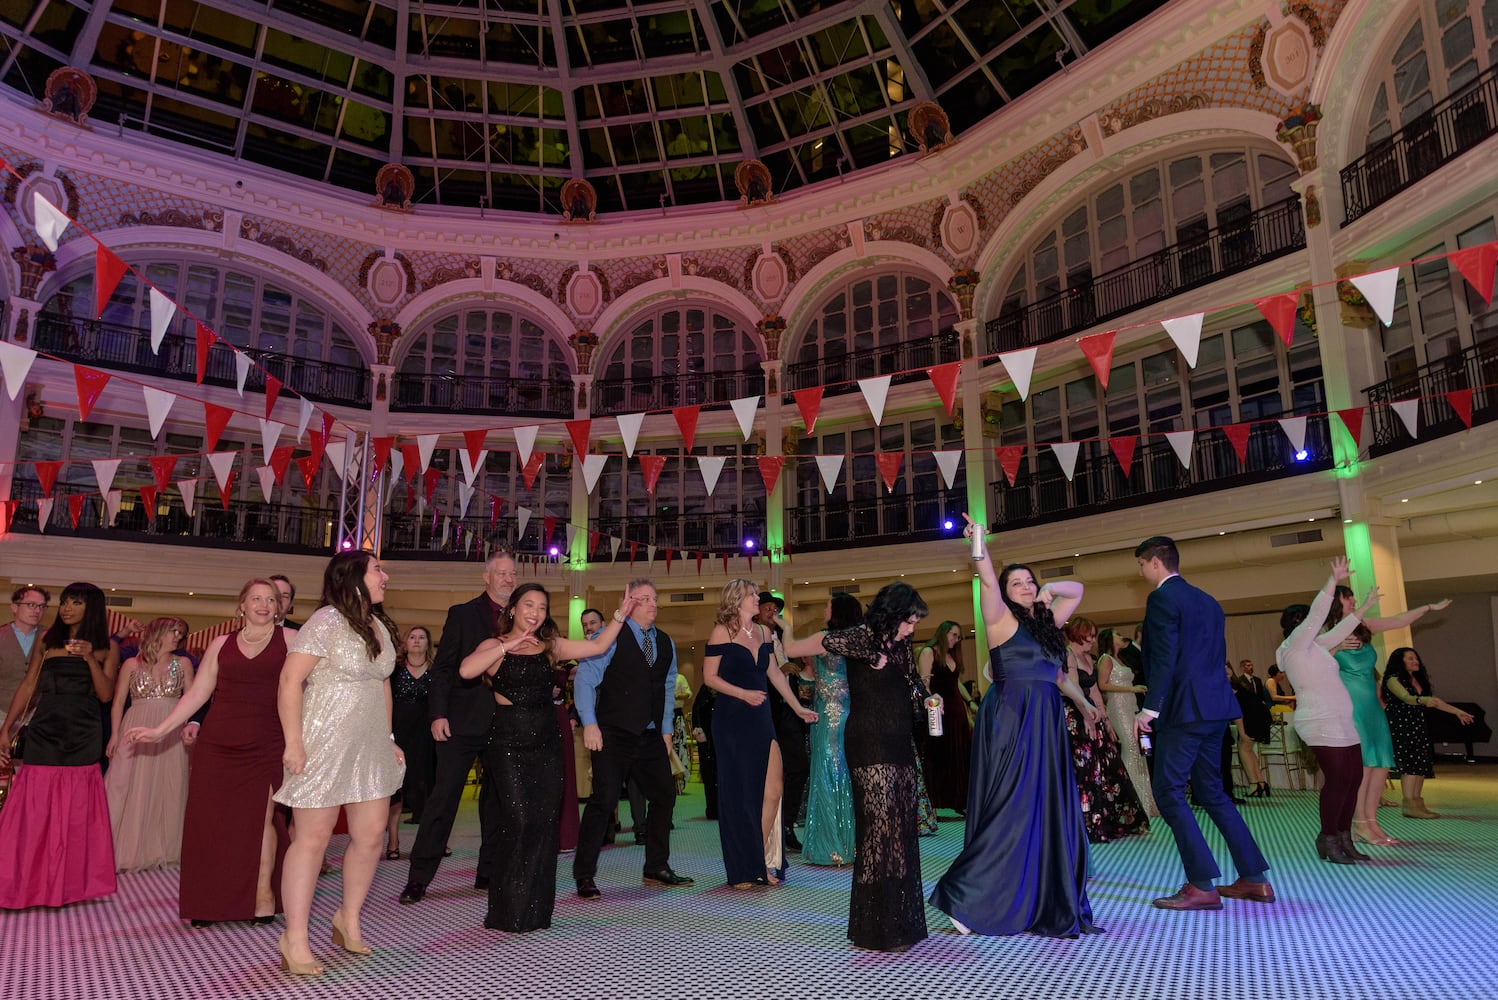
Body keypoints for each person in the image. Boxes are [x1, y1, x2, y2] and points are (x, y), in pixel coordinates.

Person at [928, 519, 1100, 938]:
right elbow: (986, 574)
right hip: (1012, 716)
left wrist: (1049, 591)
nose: (1024, 586)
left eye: (1029, 581)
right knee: (1012, 805)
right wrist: (979, 542)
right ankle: (964, 895)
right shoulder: (1000, 618)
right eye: (1016, 582)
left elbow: (1076, 591)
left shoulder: (1047, 624)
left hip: (1045, 719)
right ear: (1005, 592)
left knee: (1042, 807)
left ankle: (1031, 893)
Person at [459, 582, 637, 930]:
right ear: (512, 609)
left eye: (541, 607)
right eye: (528, 605)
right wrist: (508, 645)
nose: (535, 613)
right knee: (519, 820)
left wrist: (620, 614)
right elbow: (466, 670)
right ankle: (506, 909)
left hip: (547, 740)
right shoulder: (494, 645)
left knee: (543, 824)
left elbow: (598, 644)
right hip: (508, 741)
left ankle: (536, 909)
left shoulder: (550, 646)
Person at [128, 579, 293, 925]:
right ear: (242, 606)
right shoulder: (221, 644)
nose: (263, 605)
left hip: (267, 743)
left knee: (261, 823)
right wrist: (160, 730)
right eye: (255, 599)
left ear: (279, 607)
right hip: (218, 743)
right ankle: (208, 903)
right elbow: (197, 694)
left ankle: (263, 899)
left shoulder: (291, 641)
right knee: (211, 823)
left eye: (270, 600)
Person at [274, 551, 406, 976]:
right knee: (311, 839)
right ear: (353, 578)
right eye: (377, 570)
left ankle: (347, 917)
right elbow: (290, 680)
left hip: (369, 746)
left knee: (370, 836)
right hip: (323, 741)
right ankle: (294, 937)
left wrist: (388, 738)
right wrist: (294, 742)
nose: (386, 575)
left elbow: (382, 683)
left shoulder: (380, 626)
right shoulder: (326, 621)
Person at [782, 580, 930, 953]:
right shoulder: (856, 638)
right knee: (877, 831)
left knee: (899, 828)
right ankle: (875, 927)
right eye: (909, 620)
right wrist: (785, 628)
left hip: (898, 742)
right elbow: (794, 648)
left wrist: (931, 699)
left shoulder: (901, 643)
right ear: (893, 614)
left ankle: (900, 920)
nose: (912, 628)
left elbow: (913, 684)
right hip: (868, 741)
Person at [1133, 535, 1273, 909]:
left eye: (1142, 565)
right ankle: (1254, 879)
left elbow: (1163, 658)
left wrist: (1150, 708)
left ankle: (1201, 885)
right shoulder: (1208, 600)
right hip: (1215, 708)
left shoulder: (1162, 598)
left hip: (1183, 711)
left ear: (1155, 563)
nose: (1142, 571)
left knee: (1169, 792)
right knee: (1212, 793)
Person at [399, 551, 516, 905]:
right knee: (443, 800)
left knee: (499, 801)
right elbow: (444, 669)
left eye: (513, 573)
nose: (508, 579)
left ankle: (489, 871)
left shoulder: (524, 618)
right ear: (486, 577)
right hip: (460, 723)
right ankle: (418, 878)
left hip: (504, 724)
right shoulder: (463, 615)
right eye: (501, 573)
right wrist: (437, 714)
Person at [573, 578, 695, 899]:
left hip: (651, 734)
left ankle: (656, 865)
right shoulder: (609, 636)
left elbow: (667, 688)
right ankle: (584, 874)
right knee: (603, 802)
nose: (652, 604)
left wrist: (666, 728)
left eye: (654, 599)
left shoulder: (665, 642)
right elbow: (585, 680)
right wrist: (589, 723)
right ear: (629, 603)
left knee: (664, 795)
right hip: (613, 733)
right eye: (644, 599)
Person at [0, 582, 120, 908]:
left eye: (76, 602)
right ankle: (22, 883)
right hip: (44, 730)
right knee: (33, 810)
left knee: (76, 815)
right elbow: (28, 687)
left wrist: (90, 660)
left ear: (91, 608)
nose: (66, 608)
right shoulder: (46, 641)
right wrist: (6, 728)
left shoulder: (107, 646)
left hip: (83, 734)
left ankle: (65, 887)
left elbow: (106, 695)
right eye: (65, 601)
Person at [702, 580, 818, 888]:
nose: (759, 599)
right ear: (738, 600)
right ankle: (744, 867)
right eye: (754, 595)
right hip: (731, 720)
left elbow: (776, 674)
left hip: (761, 718)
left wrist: (798, 708)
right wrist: (742, 693)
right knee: (739, 795)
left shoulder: (765, 633)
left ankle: (760, 859)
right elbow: (709, 677)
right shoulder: (722, 632)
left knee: (773, 791)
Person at [1327, 588, 1450, 845]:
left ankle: (1371, 822)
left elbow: (1398, 620)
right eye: (1347, 597)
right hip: (1351, 705)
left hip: (1373, 705)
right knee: (1363, 765)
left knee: (1381, 763)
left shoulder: (1364, 626)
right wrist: (1335, 647)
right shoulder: (1327, 634)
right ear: (1335, 603)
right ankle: (1359, 822)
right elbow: (1309, 662)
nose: (1353, 600)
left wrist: (1428, 607)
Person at [1275, 557, 1374, 866]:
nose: (1314, 624)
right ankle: (1328, 837)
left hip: (1341, 720)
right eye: (1307, 621)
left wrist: (1364, 608)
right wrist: (1333, 581)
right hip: (1318, 720)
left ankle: (1344, 837)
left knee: (1353, 777)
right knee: (1338, 779)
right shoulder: (1294, 647)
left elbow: (1343, 628)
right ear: (1298, 624)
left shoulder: (1314, 646)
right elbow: (1319, 614)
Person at [105, 616, 193, 871]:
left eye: (180, 633)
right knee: (125, 785)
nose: (178, 636)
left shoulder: (184, 663)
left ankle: (163, 848)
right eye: (173, 632)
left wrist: (189, 727)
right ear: (157, 633)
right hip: (135, 727)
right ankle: (120, 848)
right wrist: (114, 735)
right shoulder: (131, 664)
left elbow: (192, 699)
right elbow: (119, 702)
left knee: (169, 786)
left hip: (171, 729)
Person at [1064, 617, 1148, 841]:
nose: (1093, 640)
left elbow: (1094, 691)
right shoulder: (1068, 655)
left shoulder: (1088, 658)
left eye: (1093, 635)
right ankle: (1086, 823)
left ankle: (1107, 819)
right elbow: (1074, 689)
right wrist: (1087, 718)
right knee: (1085, 769)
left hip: (1092, 714)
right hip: (1075, 716)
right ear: (1077, 634)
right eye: (1089, 635)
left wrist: (1106, 720)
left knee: (1108, 766)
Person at [802, 592, 861, 867]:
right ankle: (847, 843)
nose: (824, 609)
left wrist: (783, 625)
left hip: (828, 715)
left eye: (828, 606)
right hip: (844, 712)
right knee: (841, 770)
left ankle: (830, 845)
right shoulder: (855, 641)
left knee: (827, 769)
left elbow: (794, 651)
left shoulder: (826, 638)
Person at [1382, 647, 1473, 818]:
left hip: (1417, 723)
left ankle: (1417, 803)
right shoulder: (1392, 679)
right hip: (1402, 725)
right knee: (1410, 764)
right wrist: (1423, 700)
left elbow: (1436, 702)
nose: (1415, 661)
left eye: (1416, 658)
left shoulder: (1416, 679)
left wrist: (1458, 712)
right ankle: (1409, 804)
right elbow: (1405, 698)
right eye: (1410, 658)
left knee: (1420, 763)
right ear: (1399, 661)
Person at [761, 591, 810, 852]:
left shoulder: (781, 639)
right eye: (767, 607)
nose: (772, 612)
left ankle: (787, 824)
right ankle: (769, 828)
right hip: (766, 710)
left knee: (798, 766)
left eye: (775, 609)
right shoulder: (754, 636)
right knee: (767, 772)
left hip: (787, 711)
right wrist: (780, 673)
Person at [1097, 627, 1157, 817]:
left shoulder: (1120, 658)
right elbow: (1102, 685)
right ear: (1108, 639)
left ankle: (1145, 799)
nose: (1120, 635)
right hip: (1118, 707)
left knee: (1140, 749)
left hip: (1130, 707)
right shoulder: (1106, 659)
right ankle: (1128, 799)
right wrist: (1132, 689)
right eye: (1115, 633)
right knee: (1130, 747)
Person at [386, 626, 435, 859]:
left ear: (428, 643)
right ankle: (393, 841)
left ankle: (432, 841)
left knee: (429, 788)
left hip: (427, 737)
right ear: (405, 643)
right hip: (399, 735)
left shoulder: (437, 670)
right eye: (412, 637)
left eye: (421, 637)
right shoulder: (394, 670)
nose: (416, 641)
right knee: (397, 791)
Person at [917, 620, 971, 817]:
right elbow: (924, 683)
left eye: (958, 637)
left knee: (959, 754)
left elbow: (956, 684)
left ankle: (960, 800)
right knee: (938, 754)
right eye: (953, 635)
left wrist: (970, 702)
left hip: (956, 711)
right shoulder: (929, 652)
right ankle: (936, 802)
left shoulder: (952, 655)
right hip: (936, 710)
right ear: (943, 632)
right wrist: (933, 705)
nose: (955, 640)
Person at [1, 586, 49, 732]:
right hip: (2, 712)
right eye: (31, 605)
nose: (37, 610)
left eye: (41, 606)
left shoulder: (50, 638)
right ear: (14, 607)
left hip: (38, 715)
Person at [1230, 659, 1272, 797]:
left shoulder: (1231, 685)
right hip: (1259, 714)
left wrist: (1241, 733)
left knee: (1244, 747)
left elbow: (1237, 710)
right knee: (1248, 749)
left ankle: (1254, 784)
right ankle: (1260, 782)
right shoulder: (1237, 682)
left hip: (1253, 716)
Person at [691, 683, 719, 820]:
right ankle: (712, 808)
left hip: (722, 738)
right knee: (708, 773)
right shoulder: (705, 689)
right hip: (707, 739)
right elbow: (696, 709)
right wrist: (698, 729)